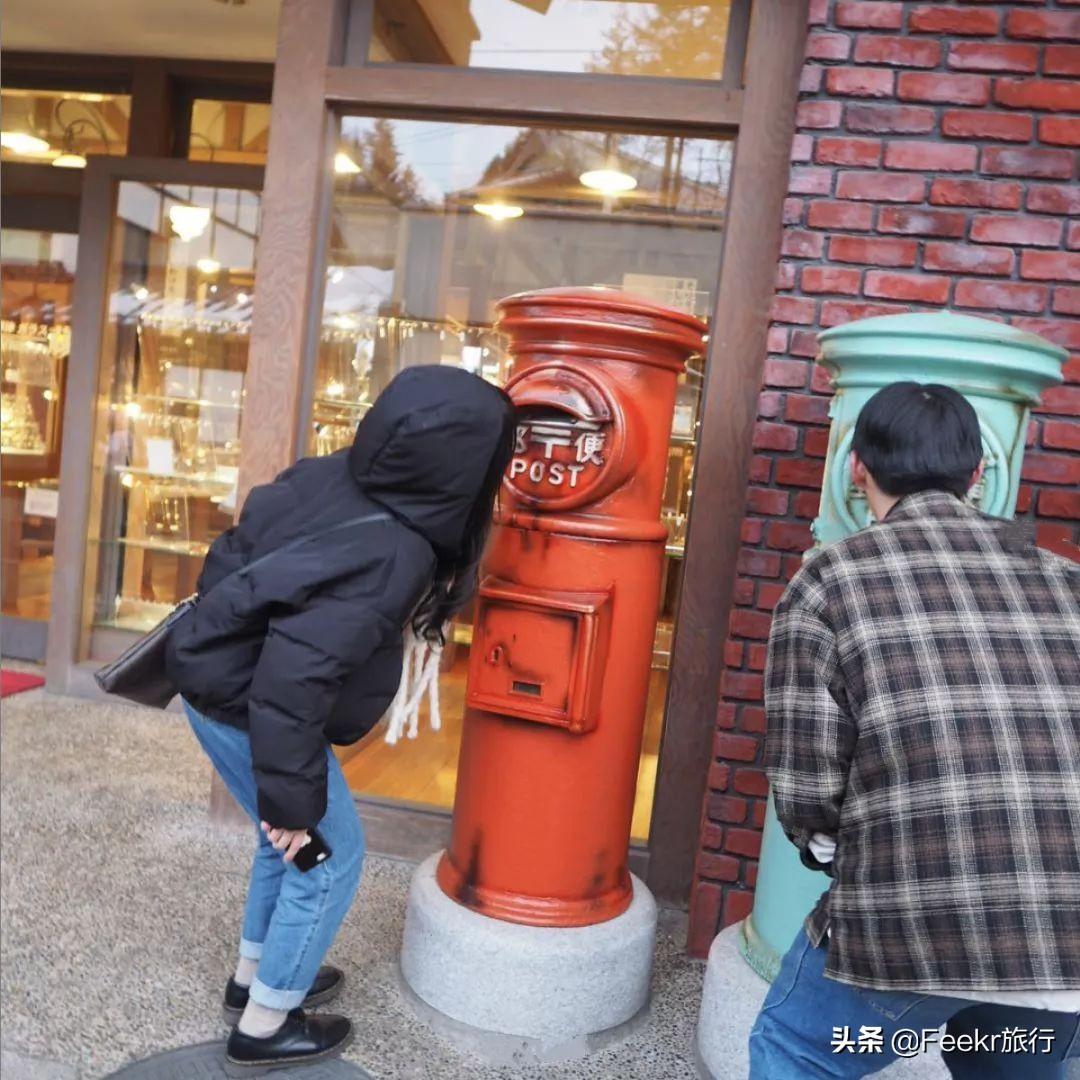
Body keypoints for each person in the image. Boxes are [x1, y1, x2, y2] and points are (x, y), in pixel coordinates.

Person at [166, 365, 516, 1072]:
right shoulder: (397, 552)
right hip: (253, 707)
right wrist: (295, 804)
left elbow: (235, 557)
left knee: (281, 849)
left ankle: (254, 982)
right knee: (325, 860)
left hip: (219, 683)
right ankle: (265, 1024)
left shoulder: (330, 475)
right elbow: (291, 687)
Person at [751, 382, 1080, 1078]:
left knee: (797, 1050)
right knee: (1001, 1061)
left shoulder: (828, 578)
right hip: (1065, 929)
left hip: (916, 917)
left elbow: (808, 788)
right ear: (978, 475)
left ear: (856, 469)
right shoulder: (1063, 575)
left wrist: (839, 857)